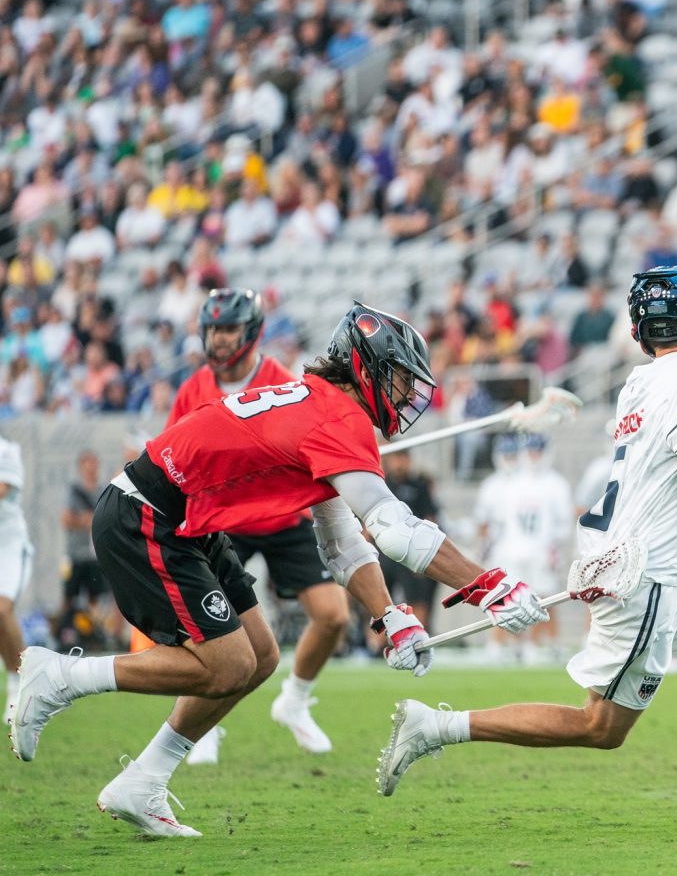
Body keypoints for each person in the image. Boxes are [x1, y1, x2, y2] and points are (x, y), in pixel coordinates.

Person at [10, 303, 549, 838]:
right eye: (401, 381)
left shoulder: (324, 404)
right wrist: (490, 586)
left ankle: (143, 781)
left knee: (261, 656)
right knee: (224, 665)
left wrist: (390, 612)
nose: (408, 397)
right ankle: (59, 677)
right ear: (365, 367)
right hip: (148, 513)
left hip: (183, 517)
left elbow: (340, 541)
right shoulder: (340, 417)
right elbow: (396, 530)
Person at [375, 265, 677, 832]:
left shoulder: (642, 382)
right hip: (646, 573)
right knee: (600, 727)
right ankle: (436, 726)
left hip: (660, 561)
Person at [165, 289, 352, 759]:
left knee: (333, 616)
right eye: (212, 330)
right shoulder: (192, 389)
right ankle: (202, 723)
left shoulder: (280, 381)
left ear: (249, 332)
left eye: (227, 329)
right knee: (204, 629)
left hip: (281, 517)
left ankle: (294, 701)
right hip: (222, 520)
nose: (219, 339)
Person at [473, 431, 573, 661]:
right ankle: (502, 644)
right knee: (508, 599)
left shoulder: (554, 484)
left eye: (538, 451)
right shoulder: (514, 483)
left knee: (544, 599)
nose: (534, 456)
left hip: (540, 549)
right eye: (531, 451)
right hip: (512, 548)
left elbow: (563, 523)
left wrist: (555, 548)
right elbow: (498, 521)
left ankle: (536, 644)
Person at [380, 449, 442, 626]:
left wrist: (424, 551)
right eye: (396, 458)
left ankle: (419, 635)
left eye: (403, 458)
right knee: (380, 600)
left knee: (416, 597)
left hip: (410, 551)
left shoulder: (419, 486)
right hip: (384, 551)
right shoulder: (383, 486)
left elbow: (430, 519)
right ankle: (377, 643)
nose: (399, 463)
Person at [60, 449, 109, 647]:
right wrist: (87, 520)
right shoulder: (73, 491)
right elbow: (66, 519)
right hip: (75, 554)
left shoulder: (102, 491)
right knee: (69, 597)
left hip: (95, 555)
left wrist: (87, 520)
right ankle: (64, 634)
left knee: (95, 598)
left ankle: (93, 634)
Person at [0, 436, 31, 725]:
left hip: (7, 543)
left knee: (2, 609)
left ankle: (24, 682)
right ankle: (14, 679)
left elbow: (2, 488)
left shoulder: (7, 449)